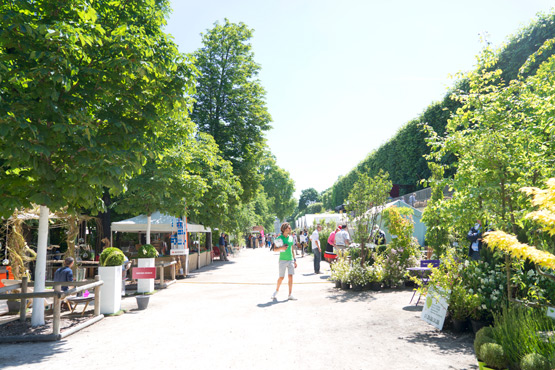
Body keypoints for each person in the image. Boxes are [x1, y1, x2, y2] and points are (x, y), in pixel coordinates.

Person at [271, 222, 298, 301]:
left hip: (290, 260)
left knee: (290, 276)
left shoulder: (291, 238)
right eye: (289, 228)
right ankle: (276, 290)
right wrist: (281, 248)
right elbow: (274, 249)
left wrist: (295, 260)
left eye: (290, 228)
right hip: (282, 260)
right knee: (281, 277)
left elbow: (292, 249)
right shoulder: (279, 238)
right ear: (284, 229)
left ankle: (290, 294)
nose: (290, 229)